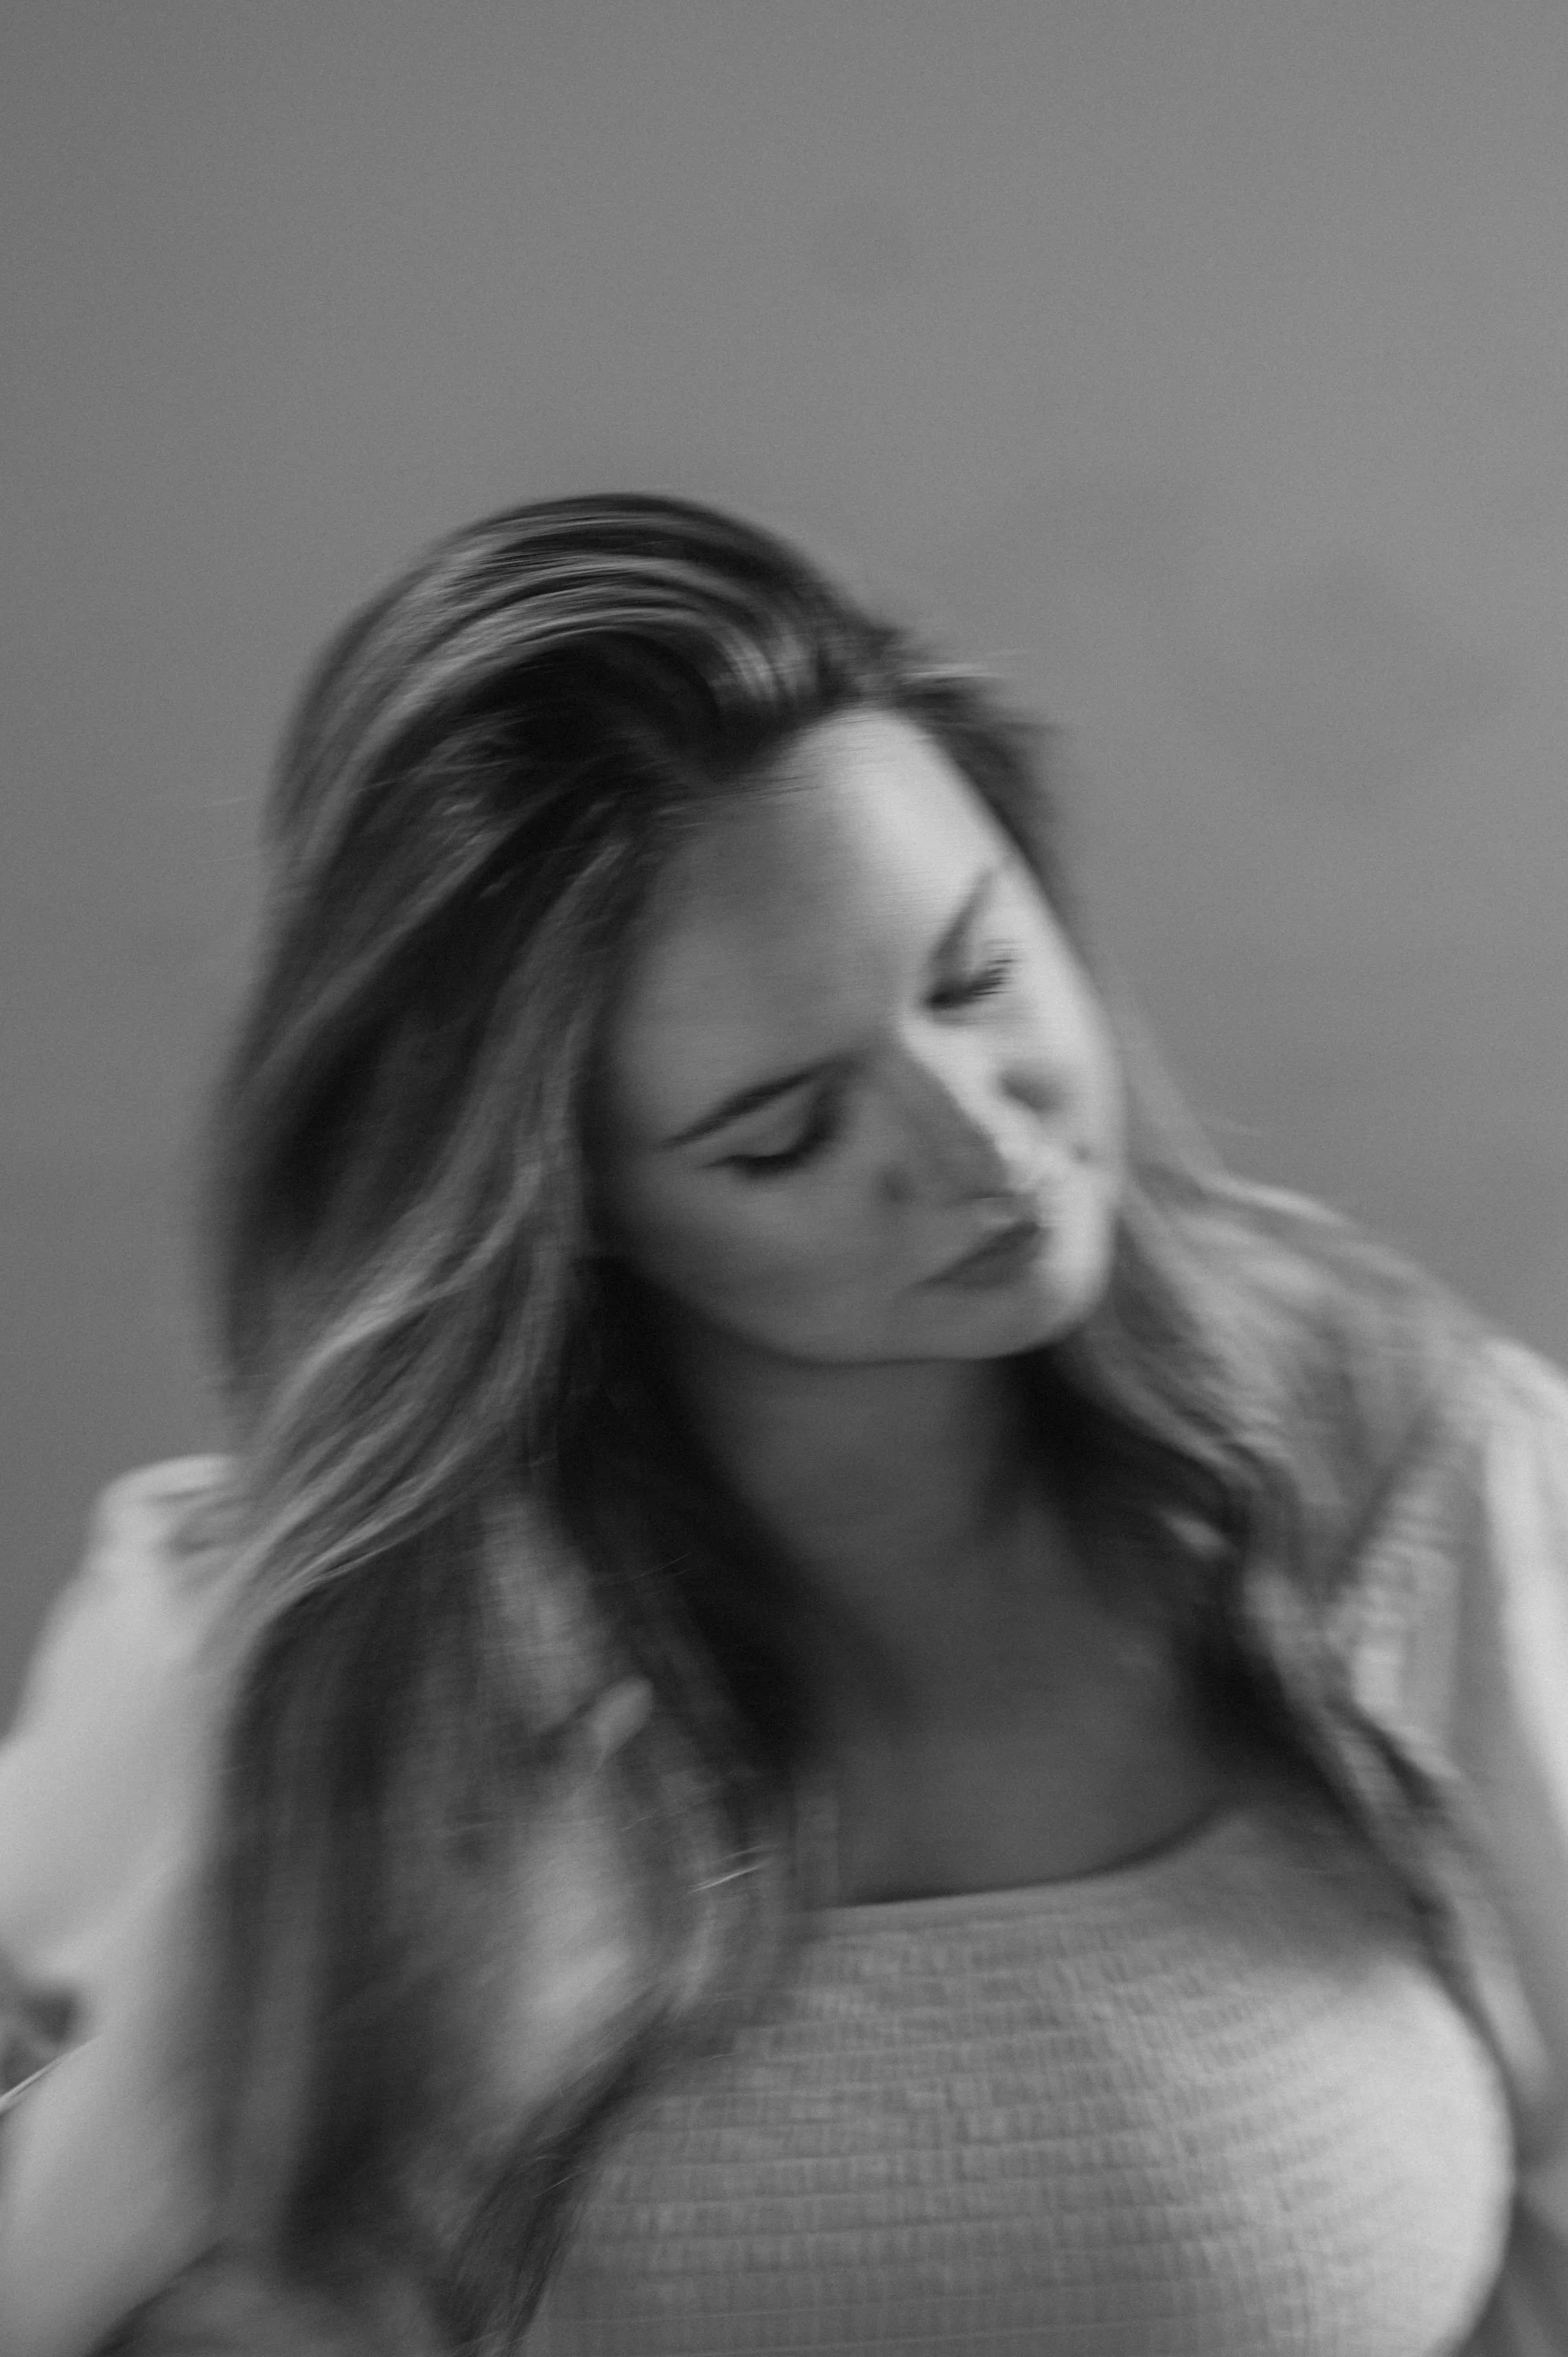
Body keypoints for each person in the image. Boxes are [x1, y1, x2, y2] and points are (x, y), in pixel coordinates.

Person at [2, 493, 1566, 2357]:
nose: (981, 1142)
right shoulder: (270, 1670)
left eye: (974, 977)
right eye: (782, 1133)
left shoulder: (1400, 1468)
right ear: (561, 1201)